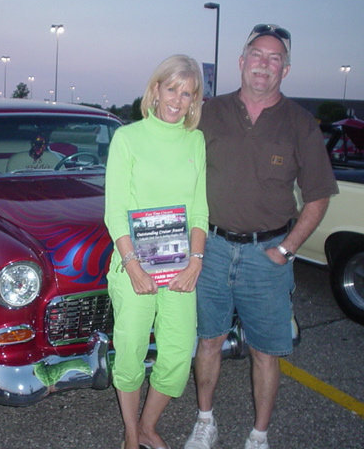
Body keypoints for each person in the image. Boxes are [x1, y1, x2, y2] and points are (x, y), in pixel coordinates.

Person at [184, 24, 339, 449]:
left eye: (275, 59)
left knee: (265, 351)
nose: (264, 64)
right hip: (210, 250)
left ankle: (258, 434)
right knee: (209, 339)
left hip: (266, 254)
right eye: (257, 54)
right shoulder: (208, 112)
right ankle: (204, 420)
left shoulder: (301, 124)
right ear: (242, 61)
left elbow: (319, 196)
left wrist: (286, 250)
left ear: (285, 70)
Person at [105, 54, 209, 449]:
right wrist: (132, 266)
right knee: (130, 350)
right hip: (134, 265)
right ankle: (132, 435)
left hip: (181, 266)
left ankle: (149, 426)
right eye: (172, 89)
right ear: (156, 90)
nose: (178, 100)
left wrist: (196, 261)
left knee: (179, 355)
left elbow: (199, 207)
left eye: (188, 93)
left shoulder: (195, 140)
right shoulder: (128, 138)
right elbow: (115, 212)